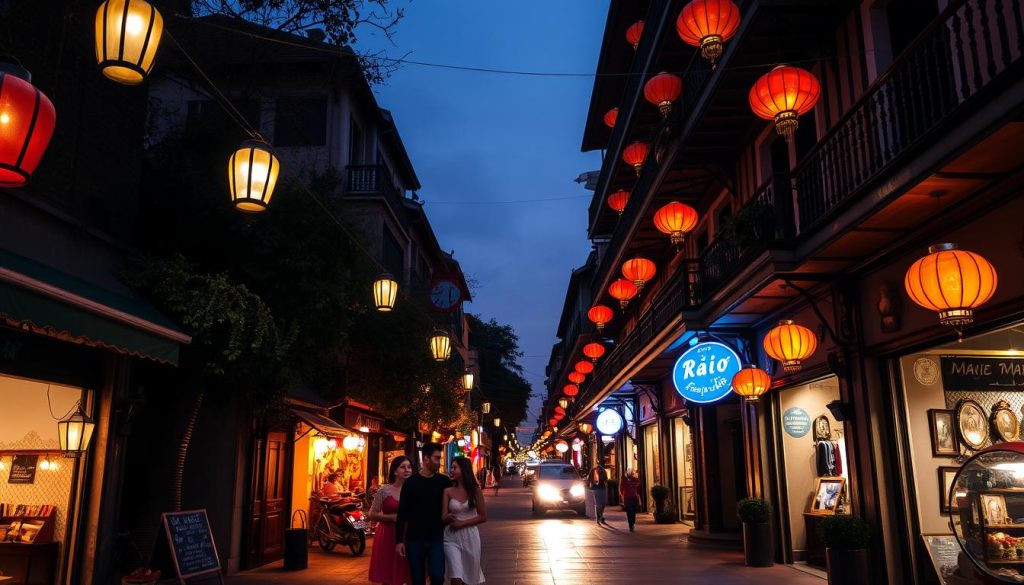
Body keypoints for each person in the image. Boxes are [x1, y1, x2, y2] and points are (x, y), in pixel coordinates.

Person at [395, 443, 450, 585]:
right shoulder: (411, 483)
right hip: (414, 539)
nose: (439, 462)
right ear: (426, 458)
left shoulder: (444, 482)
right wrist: (399, 540)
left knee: (438, 576)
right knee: (417, 579)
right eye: (436, 458)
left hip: (436, 538)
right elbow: (402, 512)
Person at [368, 456, 413, 585]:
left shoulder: (414, 490)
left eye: (409, 467)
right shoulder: (384, 490)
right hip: (387, 534)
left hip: (408, 534)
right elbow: (371, 514)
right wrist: (391, 517)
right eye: (403, 467)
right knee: (388, 573)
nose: (407, 470)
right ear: (394, 471)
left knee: (409, 572)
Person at [443, 457, 487, 585]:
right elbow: (443, 515)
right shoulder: (448, 491)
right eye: (451, 467)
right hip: (451, 537)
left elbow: (483, 516)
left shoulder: (476, 491)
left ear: (464, 470)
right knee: (456, 576)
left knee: (470, 575)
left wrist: (462, 523)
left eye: (454, 467)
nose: (451, 470)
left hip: (470, 536)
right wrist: (447, 518)